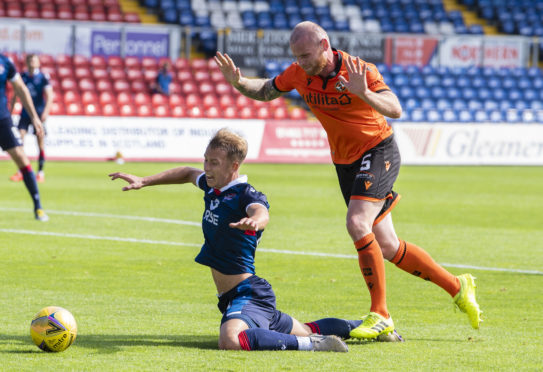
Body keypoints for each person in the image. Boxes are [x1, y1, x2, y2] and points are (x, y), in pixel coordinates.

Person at [214, 21, 482, 340]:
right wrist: (239, 81)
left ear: (325, 45)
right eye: (296, 57)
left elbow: (395, 108)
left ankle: (381, 315)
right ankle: (457, 285)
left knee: (357, 223)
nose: (301, 62)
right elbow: (268, 90)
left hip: (378, 149)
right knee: (388, 245)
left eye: (306, 55)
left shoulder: (358, 70)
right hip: (346, 163)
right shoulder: (299, 73)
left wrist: (364, 93)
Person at [109, 129, 402, 351]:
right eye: (206, 161)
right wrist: (144, 181)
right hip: (236, 297)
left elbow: (261, 211)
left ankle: (316, 345)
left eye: (214, 162)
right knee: (303, 327)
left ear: (233, 166)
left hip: (248, 294)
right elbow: (187, 173)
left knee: (232, 339)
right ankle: (365, 329)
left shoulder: (246, 194)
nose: (207, 168)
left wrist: (255, 221)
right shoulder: (213, 186)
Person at [0, 53, 48, 221]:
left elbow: (20, 89)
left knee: (22, 156)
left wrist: (35, 116)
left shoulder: (5, 62)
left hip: (2, 119)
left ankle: (38, 207)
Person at [10, 54, 53, 183]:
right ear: (26, 62)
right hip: (24, 114)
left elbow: (50, 96)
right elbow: (15, 95)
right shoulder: (22, 77)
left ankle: (40, 172)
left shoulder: (43, 77)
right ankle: (20, 172)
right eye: (29, 60)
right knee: (19, 142)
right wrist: (11, 112)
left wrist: (46, 112)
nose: (31, 63)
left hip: (38, 115)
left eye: (34, 60)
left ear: (39, 63)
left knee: (40, 143)